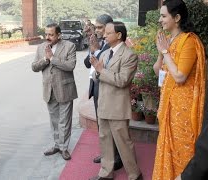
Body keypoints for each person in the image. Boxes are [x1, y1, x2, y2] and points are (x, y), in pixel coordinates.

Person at [152, 0, 206, 179]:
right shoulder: (169, 40)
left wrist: (166, 53)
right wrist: (161, 52)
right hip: (169, 104)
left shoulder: (189, 41)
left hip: (183, 111)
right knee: (168, 148)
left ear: (177, 18)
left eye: (163, 16)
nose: (160, 20)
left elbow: (180, 76)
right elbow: (158, 70)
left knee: (182, 150)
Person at [89, 21, 142, 180]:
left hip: (117, 107)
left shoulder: (129, 55)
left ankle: (134, 174)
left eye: (108, 33)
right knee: (104, 140)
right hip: (104, 104)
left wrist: (100, 70)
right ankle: (106, 173)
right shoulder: (105, 53)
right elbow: (96, 76)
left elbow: (122, 80)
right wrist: (97, 72)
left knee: (124, 143)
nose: (104, 35)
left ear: (119, 35)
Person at [31, 23, 78, 161]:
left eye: (51, 34)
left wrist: (52, 59)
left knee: (65, 120)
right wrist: (46, 59)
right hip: (49, 90)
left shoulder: (69, 46)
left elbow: (70, 66)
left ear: (58, 35)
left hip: (65, 88)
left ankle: (64, 148)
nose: (48, 37)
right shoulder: (41, 48)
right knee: (54, 120)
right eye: (46, 34)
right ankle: (57, 145)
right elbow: (34, 67)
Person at [83, 14, 123, 170]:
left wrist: (97, 51)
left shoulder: (114, 43)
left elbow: (108, 67)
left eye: (100, 27)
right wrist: (93, 50)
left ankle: (117, 158)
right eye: (96, 26)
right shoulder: (98, 41)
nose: (97, 30)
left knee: (111, 125)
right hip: (96, 86)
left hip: (108, 88)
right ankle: (107, 154)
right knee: (102, 124)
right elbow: (87, 63)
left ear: (109, 27)